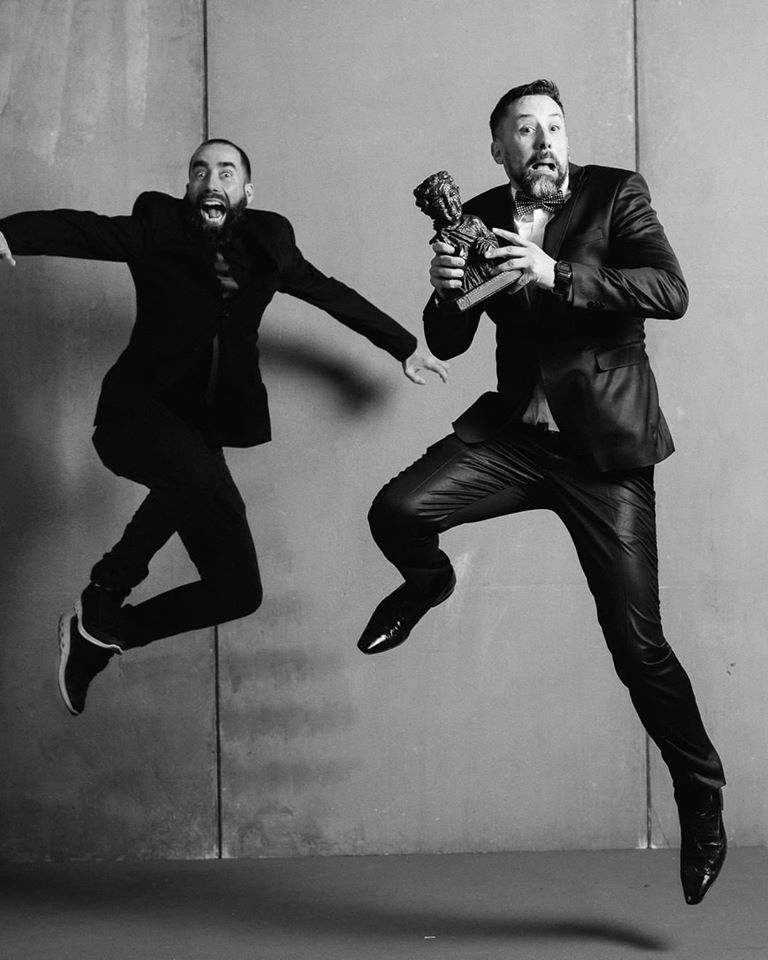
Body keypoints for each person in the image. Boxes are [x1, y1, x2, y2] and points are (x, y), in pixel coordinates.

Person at [357, 80, 726, 905]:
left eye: (553, 125)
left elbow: (669, 291)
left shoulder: (615, 194)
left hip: (604, 456)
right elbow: (450, 334)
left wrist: (556, 272)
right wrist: (444, 288)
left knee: (637, 648)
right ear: (499, 150)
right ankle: (428, 584)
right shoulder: (476, 213)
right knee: (397, 511)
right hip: (518, 440)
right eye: (524, 130)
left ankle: (701, 795)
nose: (543, 140)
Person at [0, 138, 447, 718]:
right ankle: (103, 595)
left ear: (246, 192)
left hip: (198, 437)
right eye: (200, 172)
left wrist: (403, 346)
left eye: (227, 173)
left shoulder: (270, 244)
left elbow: (328, 292)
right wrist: (9, 232)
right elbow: (84, 230)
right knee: (189, 473)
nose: (213, 181)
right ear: (188, 187)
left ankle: (102, 639)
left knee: (237, 590)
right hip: (133, 416)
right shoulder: (158, 227)